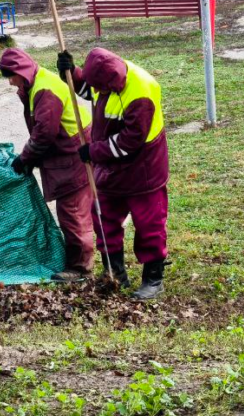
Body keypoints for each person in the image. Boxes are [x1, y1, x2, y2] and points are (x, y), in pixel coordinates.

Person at [58, 47, 169, 300]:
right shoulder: (108, 76)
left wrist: (93, 151)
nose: (96, 91)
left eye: (100, 86)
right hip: (111, 168)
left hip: (144, 170)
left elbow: (130, 141)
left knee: (149, 224)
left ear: (111, 82)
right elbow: (92, 91)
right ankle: (114, 274)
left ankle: (153, 279)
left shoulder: (141, 93)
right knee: (104, 218)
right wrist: (72, 74)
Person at [0, 48, 96, 283]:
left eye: (11, 76)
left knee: (72, 210)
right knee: (76, 208)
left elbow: (44, 134)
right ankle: (82, 258)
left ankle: (80, 268)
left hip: (73, 151)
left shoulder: (45, 90)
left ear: (21, 71)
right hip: (70, 147)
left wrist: (25, 158)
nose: (10, 82)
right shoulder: (36, 82)